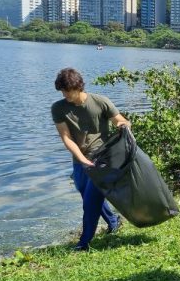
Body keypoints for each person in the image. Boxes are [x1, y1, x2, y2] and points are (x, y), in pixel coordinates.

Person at [51, 68, 130, 251]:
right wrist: (81, 159)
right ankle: (113, 222)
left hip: (101, 160)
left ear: (78, 86)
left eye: (67, 90)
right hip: (80, 161)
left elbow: (120, 120)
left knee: (89, 202)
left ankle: (84, 243)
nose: (65, 94)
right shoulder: (59, 108)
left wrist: (122, 125)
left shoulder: (100, 102)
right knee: (87, 194)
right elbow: (66, 138)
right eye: (62, 91)